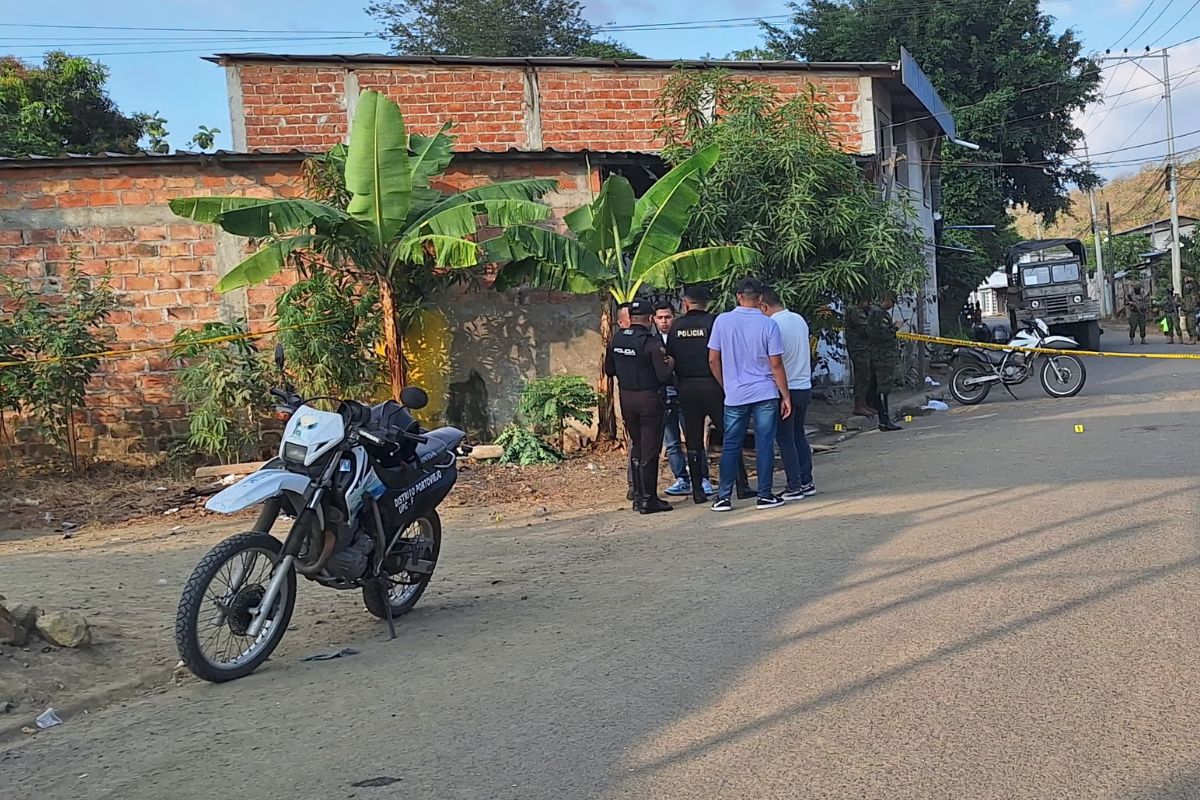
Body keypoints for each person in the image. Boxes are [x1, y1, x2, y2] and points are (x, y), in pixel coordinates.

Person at [707, 277, 792, 512]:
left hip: (735, 394)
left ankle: (723, 497)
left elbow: (713, 359)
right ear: (760, 298)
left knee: (731, 444)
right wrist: (785, 395)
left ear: (737, 296)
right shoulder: (768, 324)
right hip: (764, 392)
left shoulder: (722, 321)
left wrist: (726, 384)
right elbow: (776, 363)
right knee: (764, 443)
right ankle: (764, 495)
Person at [667, 286, 742, 504]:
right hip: (714, 385)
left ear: (685, 303)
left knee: (693, 439)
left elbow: (670, 359)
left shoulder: (676, 326)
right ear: (706, 303)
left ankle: (698, 489)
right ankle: (741, 484)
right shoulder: (715, 322)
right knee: (730, 433)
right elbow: (723, 354)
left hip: (687, 387)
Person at [606, 299, 674, 514]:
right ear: (649, 319)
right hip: (649, 399)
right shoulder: (651, 343)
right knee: (651, 448)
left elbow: (609, 370)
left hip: (627, 398)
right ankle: (649, 499)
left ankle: (637, 495)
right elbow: (663, 376)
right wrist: (671, 363)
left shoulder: (616, 339)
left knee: (637, 445)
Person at [760, 286, 816, 501]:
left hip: (786, 387)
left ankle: (794, 485)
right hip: (803, 385)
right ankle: (806, 480)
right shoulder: (798, 319)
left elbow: (774, 361)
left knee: (785, 438)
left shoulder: (772, 325)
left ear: (763, 305)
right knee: (798, 434)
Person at [652, 301, 692, 496]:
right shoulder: (652, 341)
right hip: (664, 393)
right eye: (660, 318)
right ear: (653, 319)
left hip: (684, 391)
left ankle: (701, 477)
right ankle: (681, 478)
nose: (664, 321)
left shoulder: (682, 337)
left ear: (674, 317)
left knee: (692, 437)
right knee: (672, 440)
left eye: (667, 317)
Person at [868, 292, 904, 432]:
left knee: (880, 387)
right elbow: (881, 334)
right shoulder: (878, 313)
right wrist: (895, 327)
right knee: (883, 388)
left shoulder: (879, 312)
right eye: (892, 302)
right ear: (887, 299)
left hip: (882, 356)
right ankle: (884, 419)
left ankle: (884, 418)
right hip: (882, 357)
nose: (892, 305)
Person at [845, 296, 876, 417]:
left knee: (865, 375)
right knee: (862, 375)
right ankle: (859, 404)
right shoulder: (854, 310)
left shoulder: (860, 310)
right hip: (858, 348)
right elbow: (866, 329)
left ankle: (863, 403)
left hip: (863, 347)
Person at [1183, 279, 1198, 345]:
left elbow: (1194, 305)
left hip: (1191, 313)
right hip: (1187, 313)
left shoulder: (1193, 296)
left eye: (1187, 288)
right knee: (1188, 326)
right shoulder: (1186, 297)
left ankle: (1193, 340)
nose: (1186, 289)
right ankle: (1191, 339)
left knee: (1191, 326)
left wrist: (1189, 310)